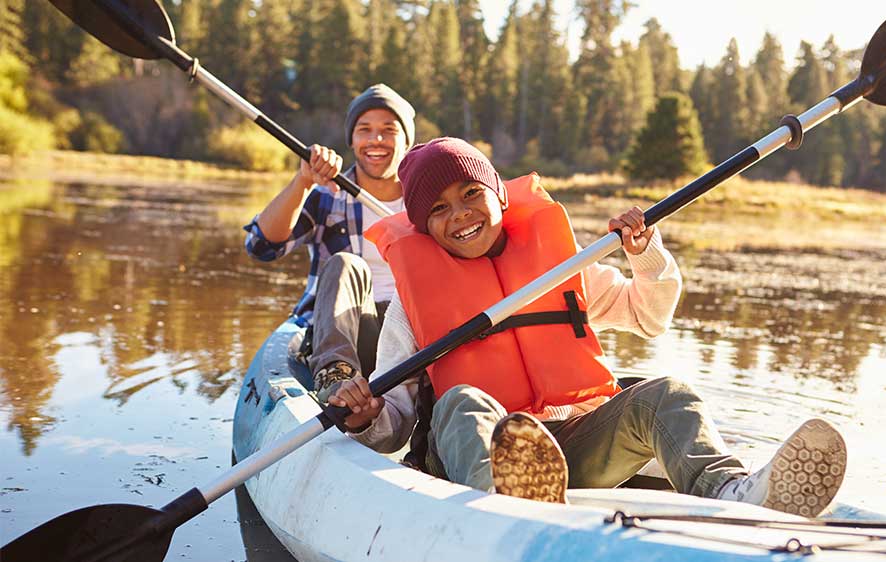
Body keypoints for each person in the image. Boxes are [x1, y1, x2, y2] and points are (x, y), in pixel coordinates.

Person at [329, 137, 847, 517]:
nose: (460, 214)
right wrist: (367, 414)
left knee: (666, 394)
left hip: (573, 445)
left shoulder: (560, 270)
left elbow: (649, 315)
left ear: (500, 197)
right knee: (461, 398)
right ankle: (501, 507)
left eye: (470, 194)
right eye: (439, 210)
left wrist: (644, 255)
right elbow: (392, 424)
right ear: (422, 228)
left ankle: (732, 493)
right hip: (474, 457)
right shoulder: (410, 308)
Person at [243, 84, 415, 402]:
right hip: (348, 331)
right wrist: (304, 182)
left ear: (407, 141)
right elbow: (260, 246)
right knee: (346, 264)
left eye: (388, 130)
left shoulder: (426, 204)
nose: (376, 140)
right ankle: (336, 377)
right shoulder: (326, 196)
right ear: (351, 139)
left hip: (411, 336)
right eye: (365, 130)